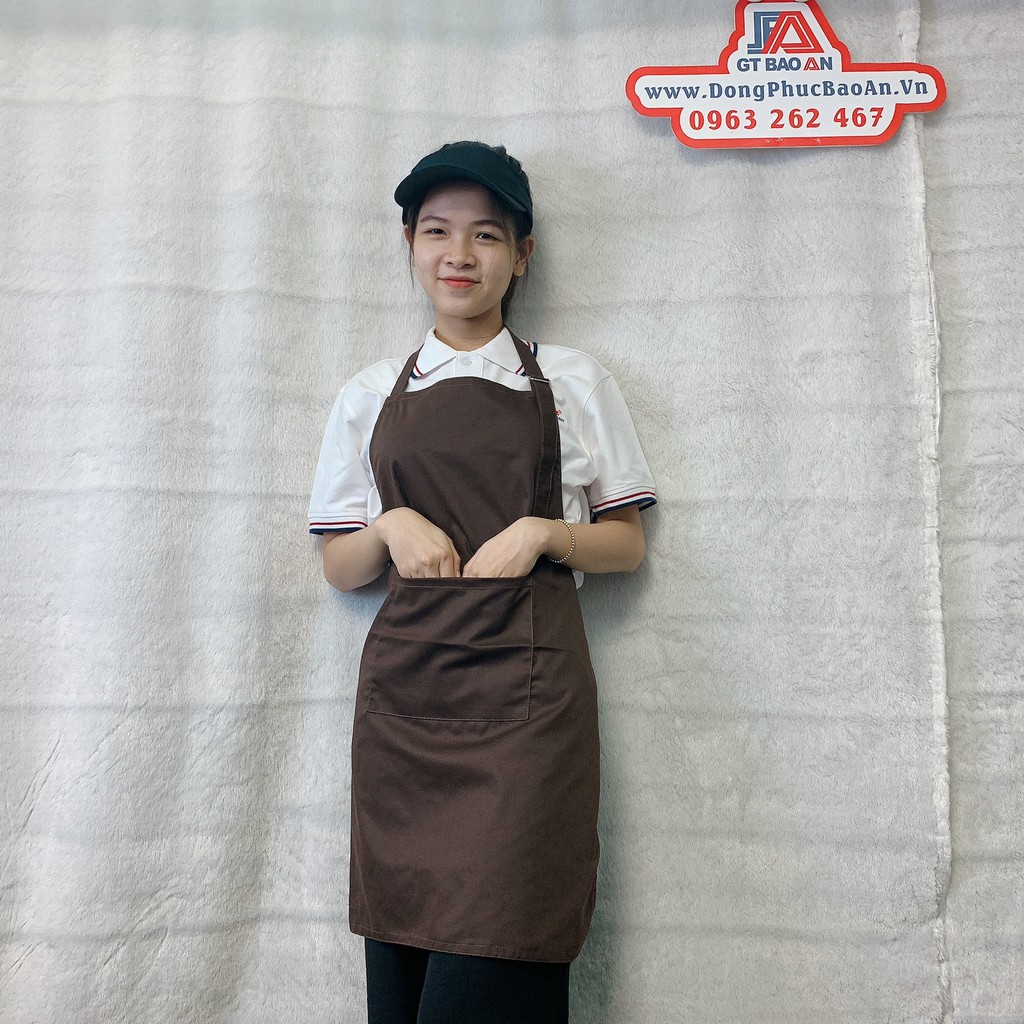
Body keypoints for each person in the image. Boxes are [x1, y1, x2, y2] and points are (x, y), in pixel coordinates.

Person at [308, 141, 657, 1024]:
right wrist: (387, 525)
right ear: (410, 244)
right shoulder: (368, 393)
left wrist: (545, 533)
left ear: (522, 253)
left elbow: (626, 545)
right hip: (406, 716)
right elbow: (341, 568)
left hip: (531, 717)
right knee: (407, 966)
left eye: (487, 235)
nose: (459, 254)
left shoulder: (572, 381)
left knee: (507, 941)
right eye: (436, 232)